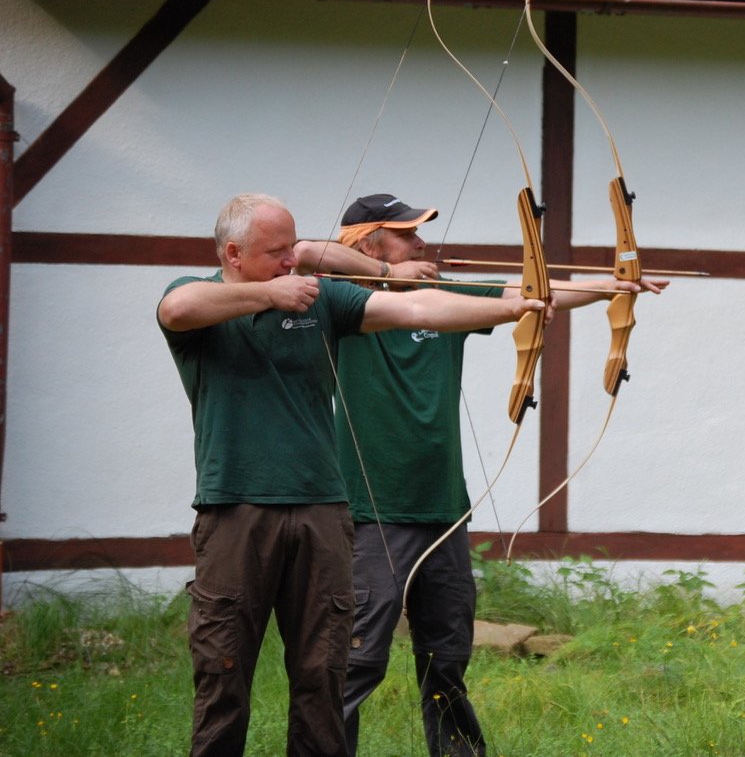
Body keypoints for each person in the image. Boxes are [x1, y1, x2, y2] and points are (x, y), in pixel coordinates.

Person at [157, 193, 545, 757]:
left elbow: (417, 309)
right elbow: (177, 309)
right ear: (234, 254)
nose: (293, 260)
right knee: (224, 672)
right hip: (235, 509)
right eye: (276, 252)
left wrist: (516, 308)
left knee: (324, 673)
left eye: (293, 248)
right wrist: (268, 294)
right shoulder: (198, 300)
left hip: (322, 513)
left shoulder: (320, 302)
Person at [307, 193, 666, 756]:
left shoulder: (445, 298)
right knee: (356, 664)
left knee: (447, 662)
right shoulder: (340, 303)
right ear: (368, 243)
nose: (423, 243)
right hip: (373, 513)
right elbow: (306, 253)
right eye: (407, 235)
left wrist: (616, 284)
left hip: (444, 511)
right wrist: (387, 272)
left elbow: (525, 293)